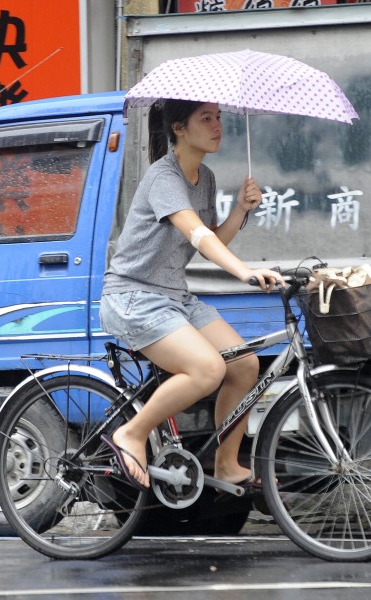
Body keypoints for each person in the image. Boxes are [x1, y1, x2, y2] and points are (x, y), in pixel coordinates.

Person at [99, 98, 284, 491]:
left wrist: (240, 210)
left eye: (218, 118)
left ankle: (227, 463)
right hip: (134, 297)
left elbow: (208, 241)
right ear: (179, 128)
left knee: (244, 365)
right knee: (207, 369)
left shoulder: (207, 177)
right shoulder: (163, 178)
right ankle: (131, 433)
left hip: (174, 298)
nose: (218, 126)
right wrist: (245, 272)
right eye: (206, 118)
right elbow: (195, 233)